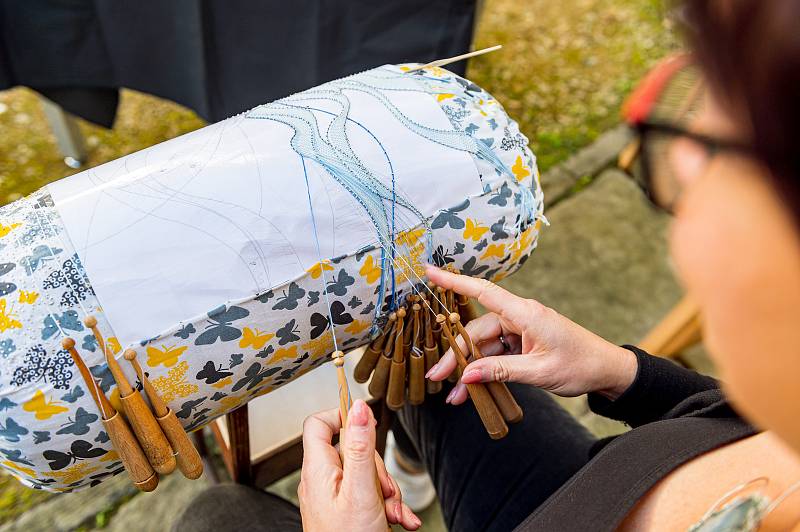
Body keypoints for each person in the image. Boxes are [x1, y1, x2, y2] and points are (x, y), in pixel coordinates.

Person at [175, 0, 800, 529]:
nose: (684, 164)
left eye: (730, 149)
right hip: (590, 487)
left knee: (221, 515)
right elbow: (733, 422)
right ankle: (417, 459)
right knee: (425, 360)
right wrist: (622, 374)